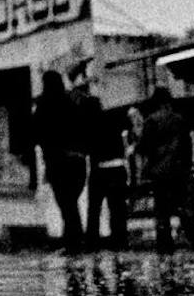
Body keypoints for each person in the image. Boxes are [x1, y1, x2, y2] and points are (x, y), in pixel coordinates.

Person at [135, 87, 194, 255]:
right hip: (179, 170)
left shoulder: (151, 121)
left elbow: (144, 147)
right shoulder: (180, 119)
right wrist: (185, 166)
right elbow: (187, 147)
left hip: (160, 172)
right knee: (183, 208)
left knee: (162, 211)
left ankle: (165, 246)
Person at [33, 69, 88, 253]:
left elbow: (37, 133)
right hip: (77, 161)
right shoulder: (72, 103)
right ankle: (73, 241)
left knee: (65, 203)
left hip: (57, 162)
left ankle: (73, 243)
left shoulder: (43, 105)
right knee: (71, 202)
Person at [77, 82, 129, 250]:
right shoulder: (113, 118)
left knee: (95, 209)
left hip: (99, 170)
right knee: (117, 208)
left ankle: (92, 242)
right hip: (118, 167)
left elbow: (85, 149)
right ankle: (120, 241)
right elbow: (127, 128)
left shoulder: (87, 125)